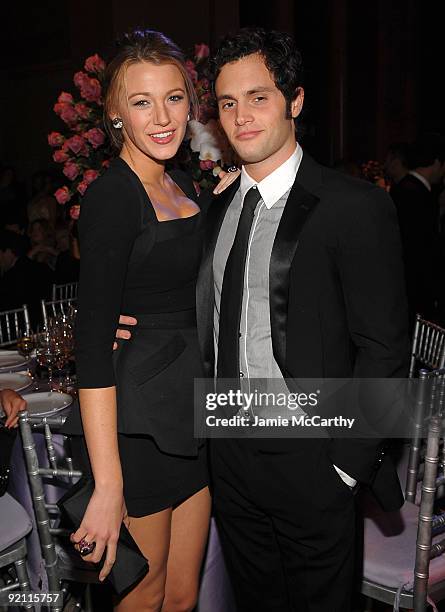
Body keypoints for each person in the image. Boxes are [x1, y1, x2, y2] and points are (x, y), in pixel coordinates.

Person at [195, 28, 409, 611]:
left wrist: (346, 464)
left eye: (258, 97)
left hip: (314, 450)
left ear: (295, 101)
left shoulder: (355, 207)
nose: (241, 116)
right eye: (228, 103)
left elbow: (386, 347)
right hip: (230, 446)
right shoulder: (219, 207)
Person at [61, 29, 238, 612]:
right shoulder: (114, 197)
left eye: (173, 98)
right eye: (142, 102)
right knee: (145, 595)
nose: (161, 118)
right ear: (116, 115)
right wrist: (107, 485)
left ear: (191, 102)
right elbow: (91, 347)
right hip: (138, 425)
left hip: (191, 410)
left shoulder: (183, 182)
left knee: (183, 596)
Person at [390, 133, 445, 324]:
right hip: (415, 291)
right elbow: (422, 251)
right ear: (438, 163)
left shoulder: (404, 189)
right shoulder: (417, 196)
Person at [0, 229, 53, 327]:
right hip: (46, 324)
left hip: (20, 332)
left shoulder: (8, 280)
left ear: (8, 252)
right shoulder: (42, 268)